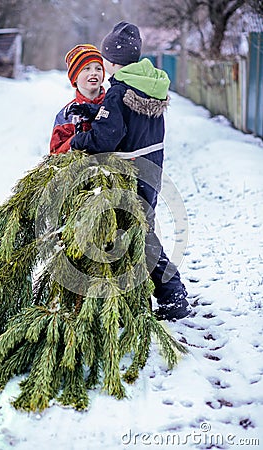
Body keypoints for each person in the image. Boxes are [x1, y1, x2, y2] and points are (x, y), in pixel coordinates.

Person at [67, 22, 191, 321]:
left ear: (110, 62)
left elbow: (106, 138)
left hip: (132, 172)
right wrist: (95, 114)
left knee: (140, 232)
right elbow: (127, 122)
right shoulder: (148, 82)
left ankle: (173, 295)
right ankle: (140, 294)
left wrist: (78, 140)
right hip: (152, 168)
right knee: (139, 228)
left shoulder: (118, 91)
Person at [49, 44, 105, 155]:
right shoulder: (66, 115)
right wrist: (75, 141)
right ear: (75, 78)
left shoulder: (112, 104)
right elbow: (55, 153)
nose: (93, 72)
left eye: (98, 68)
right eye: (86, 68)